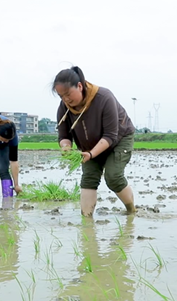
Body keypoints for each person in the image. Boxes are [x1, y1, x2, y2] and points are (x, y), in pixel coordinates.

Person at [53, 66, 136, 217]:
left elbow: (110, 135)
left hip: (119, 139)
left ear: (79, 86)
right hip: (89, 146)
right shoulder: (64, 107)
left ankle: (131, 211)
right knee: (89, 178)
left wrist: (91, 154)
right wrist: (66, 147)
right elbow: (64, 135)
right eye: (61, 96)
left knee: (113, 177)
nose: (66, 99)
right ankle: (86, 220)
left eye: (68, 94)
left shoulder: (104, 98)